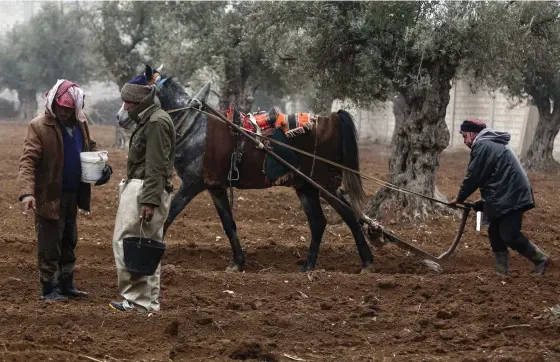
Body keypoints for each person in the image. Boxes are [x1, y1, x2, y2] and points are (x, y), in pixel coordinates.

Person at [18, 80, 112, 301]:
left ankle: (66, 284)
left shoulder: (80, 123)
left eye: (68, 108)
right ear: (53, 103)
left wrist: (103, 165)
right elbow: (27, 161)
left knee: (69, 240)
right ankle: (48, 288)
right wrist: (27, 193)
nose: (63, 111)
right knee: (50, 243)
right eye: (60, 107)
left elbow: (90, 146)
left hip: (72, 194)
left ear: (75, 108)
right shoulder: (39, 126)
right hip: (49, 195)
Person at [109, 73, 176, 312]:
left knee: (128, 244)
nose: (125, 107)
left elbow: (156, 165)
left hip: (145, 190)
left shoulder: (156, 122)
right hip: (145, 188)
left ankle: (137, 302)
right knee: (146, 246)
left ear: (140, 102)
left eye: (128, 102)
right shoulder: (151, 120)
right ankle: (147, 302)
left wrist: (149, 200)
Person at [450, 118, 550, 276]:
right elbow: (494, 176)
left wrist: (459, 198)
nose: (464, 141)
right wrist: (482, 202)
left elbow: (475, 176)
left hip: (512, 194)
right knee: (495, 232)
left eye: (464, 136)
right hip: (509, 192)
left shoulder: (482, 145)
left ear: (472, 133)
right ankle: (501, 272)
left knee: (509, 234)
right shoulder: (489, 144)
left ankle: (540, 259)